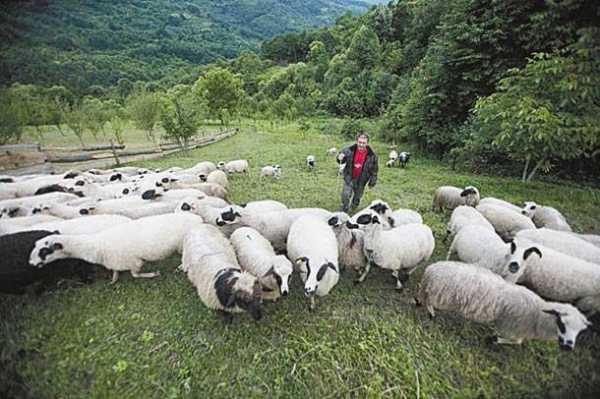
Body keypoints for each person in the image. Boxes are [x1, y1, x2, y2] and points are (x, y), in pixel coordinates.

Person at [340, 132, 378, 212]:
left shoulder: (372, 155)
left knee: (357, 197)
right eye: (360, 142)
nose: (361, 145)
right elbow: (341, 159)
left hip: (362, 180)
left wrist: (372, 182)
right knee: (345, 195)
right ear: (357, 141)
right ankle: (345, 208)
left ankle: (353, 207)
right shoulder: (349, 150)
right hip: (349, 177)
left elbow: (374, 170)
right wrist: (340, 157)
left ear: (367, 143)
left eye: (363, 143)